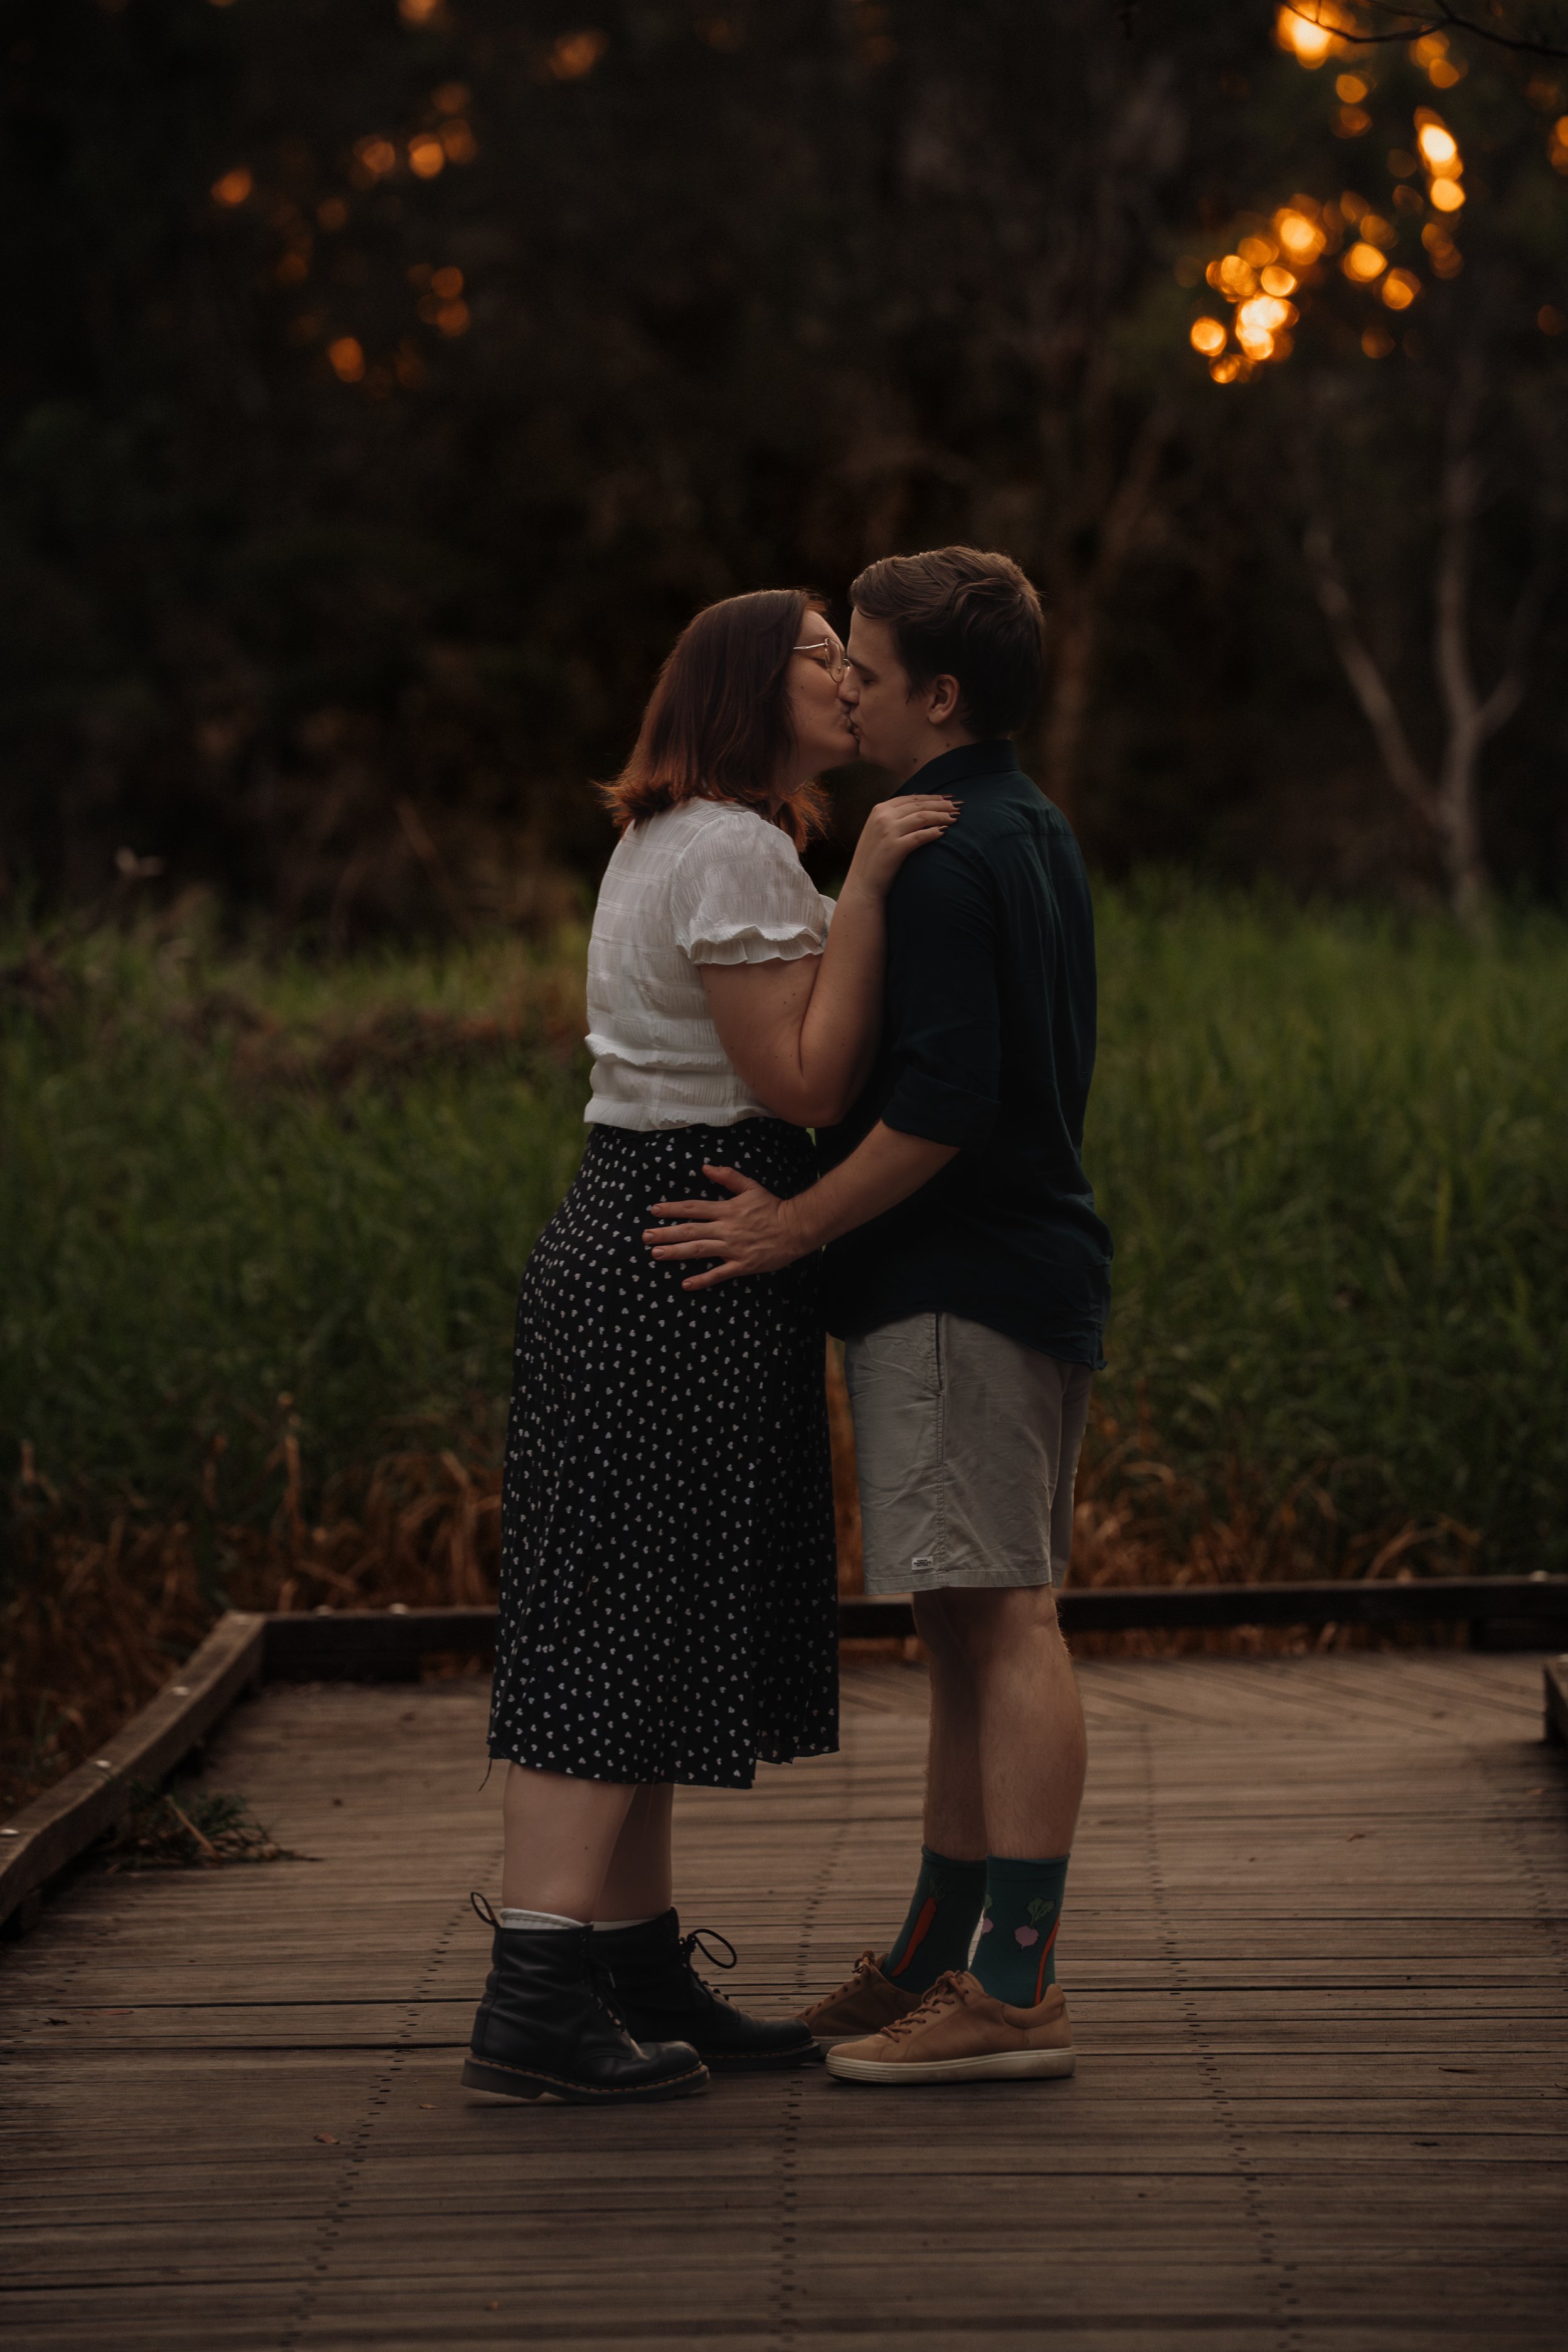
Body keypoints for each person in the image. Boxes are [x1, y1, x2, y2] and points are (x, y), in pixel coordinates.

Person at [462, 586, 958, 2106]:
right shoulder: (740, 847)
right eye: (818, 655)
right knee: (616, 1615)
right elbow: (805, 1086)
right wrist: (864, 883)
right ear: (753, 688)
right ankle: (535, 1991)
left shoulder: (672, 835)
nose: (842, 674)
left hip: (651, 1236)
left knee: (643, 1612)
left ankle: (630, 1965)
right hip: (683, 1245)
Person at [644, 545, 1111, 2087]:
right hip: (1003, 1275)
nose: (845, 681)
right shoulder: (1012, 828)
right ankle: (936, 1950)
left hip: (956, 1283)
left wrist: (792, 1224)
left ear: (940, 693)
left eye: (869, 662)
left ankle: (1017, 1989)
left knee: (1004, 1616)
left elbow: (940, 1111)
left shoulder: (954, 856)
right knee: (962, 1627)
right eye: (829, 662)